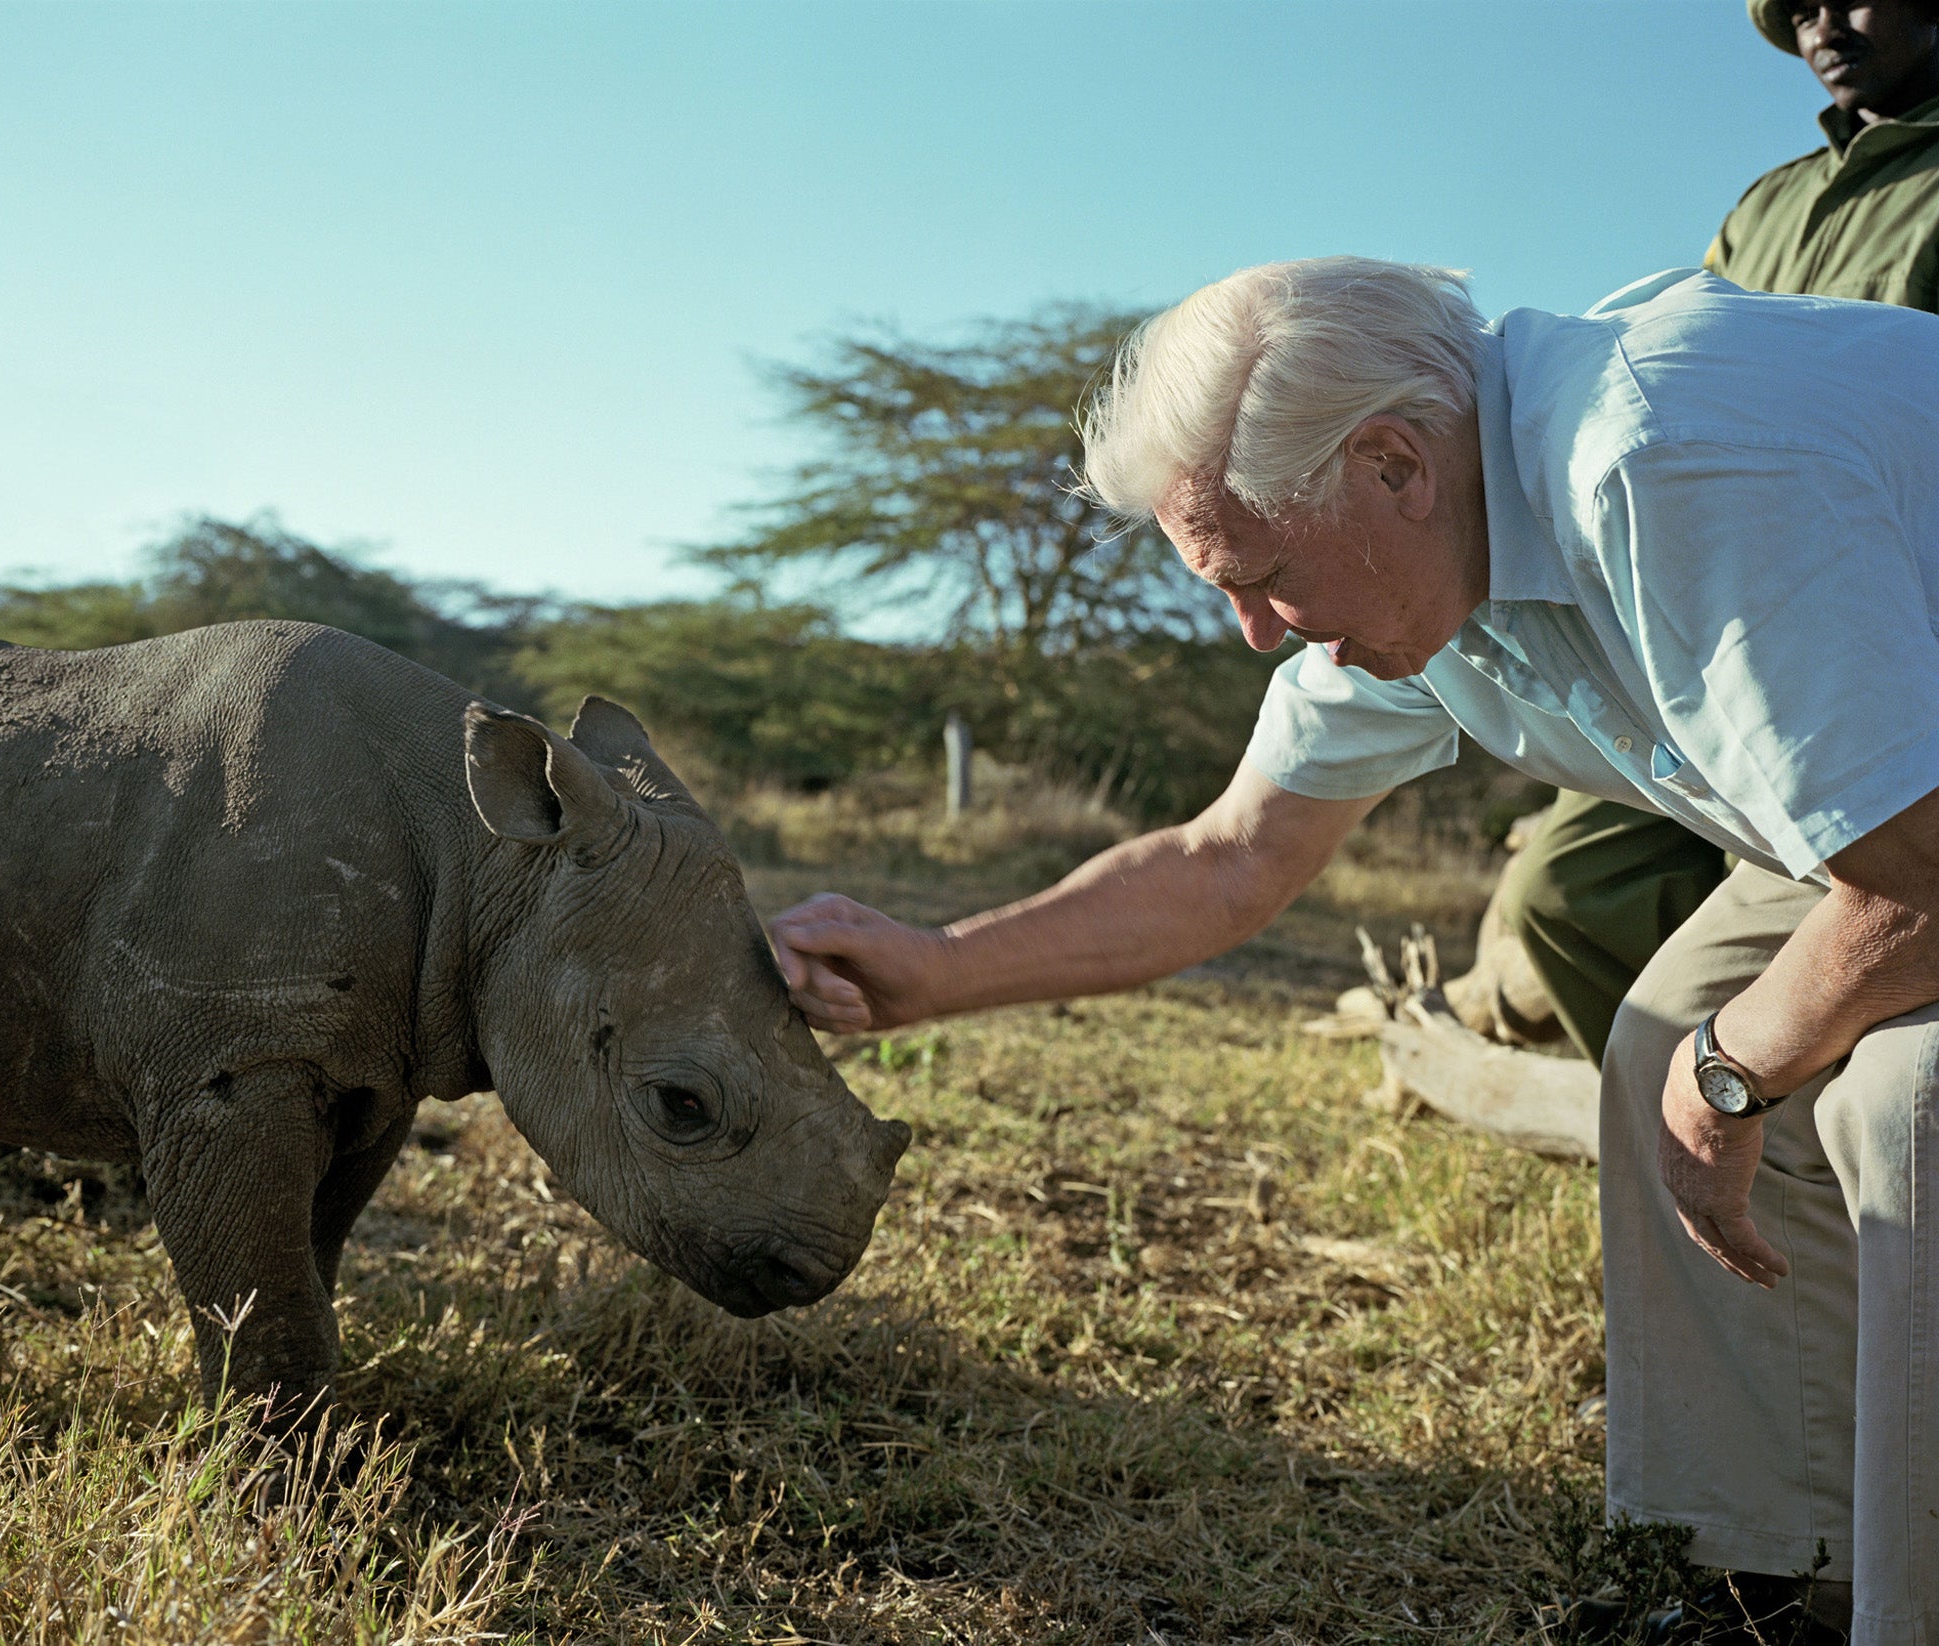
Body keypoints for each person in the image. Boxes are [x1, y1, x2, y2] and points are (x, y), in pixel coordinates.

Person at [771, 257, 1939, 1642]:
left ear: (1395, 462)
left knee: (1898, 1100)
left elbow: (1921, 876)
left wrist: (1736, 1068)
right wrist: (941, 964)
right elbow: (1230, 859)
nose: (1258, 630)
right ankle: (1770, 1574)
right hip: (1894, 814)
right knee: (1653, 1036)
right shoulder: (1434, 542)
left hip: (1914, 834)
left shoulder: (1663, 461)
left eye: (1261, 575)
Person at [1487, 0, 1939, 1070]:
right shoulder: (1768, 201)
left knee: (1884, 882)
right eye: (1797, 7)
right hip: (1723, 614)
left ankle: (1819, 1090)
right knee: (1565, 885)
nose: (1822, 22)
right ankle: (1718, 1123)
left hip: (1892, 623)